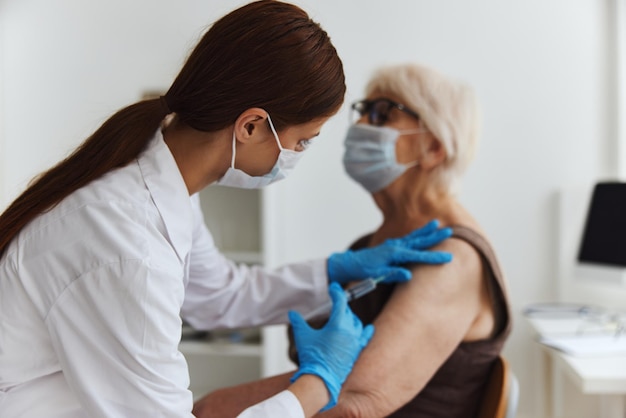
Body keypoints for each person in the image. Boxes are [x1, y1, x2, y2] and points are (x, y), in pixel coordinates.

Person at [0, 2, 455, 417]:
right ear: (252, 126)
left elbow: (220, 296)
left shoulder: (161, 185)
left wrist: (334, 271)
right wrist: (317, 383)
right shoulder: (126, 246)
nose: (297, 154)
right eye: (302, 141)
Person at [192, 62, 512, 418]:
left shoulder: (453, 257)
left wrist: (218, 408)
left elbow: (355, 402)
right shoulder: (374, 245)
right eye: (362, 111)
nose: (360, 125)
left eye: (382, 114)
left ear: (434, 147)